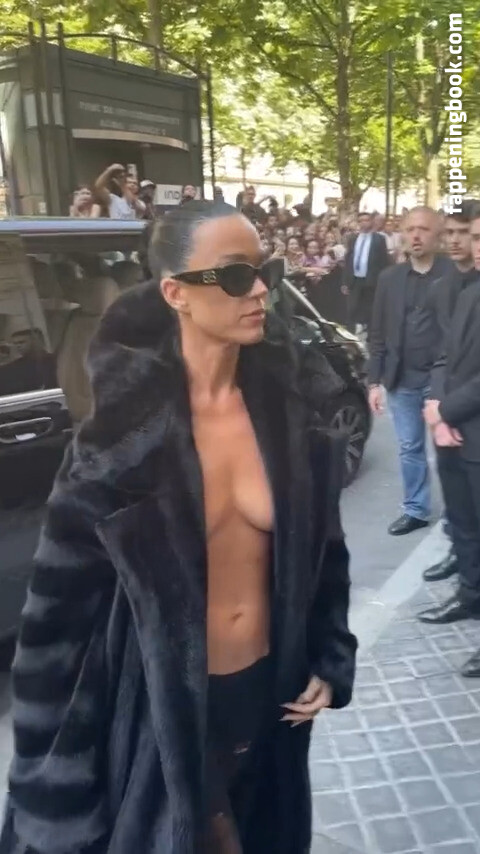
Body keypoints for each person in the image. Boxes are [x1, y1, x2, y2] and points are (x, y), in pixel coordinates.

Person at [1, 200, 357, 854]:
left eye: (267, 272)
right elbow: (56, 631)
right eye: (235, 275)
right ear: (176, 293)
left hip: (271, 705)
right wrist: (52, 798)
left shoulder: (290, 417)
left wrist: (329, 654)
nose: (260, 291)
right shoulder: (119, 446)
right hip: (164, 726)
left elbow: (324, 553)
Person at [418, 211, 480, 677]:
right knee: (464, 527)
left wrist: (446, 412)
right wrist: (437, 406)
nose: (476, 246)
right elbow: (444, 356)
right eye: (475, 237)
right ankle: (470, 597)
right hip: (454, 435)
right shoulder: (468, 292)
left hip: (465, 425)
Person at [368, 206, 453, 536]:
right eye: (410, 229)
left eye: (424, 229)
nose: (416, 236)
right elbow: (377, 331)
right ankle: (416, 509)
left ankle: (456, 513)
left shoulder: (453, 274)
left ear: (438, 235)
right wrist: (374, 381)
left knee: (449, 449)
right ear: (402, 233)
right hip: (401, 379)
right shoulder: (389, 279)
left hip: (443, 381)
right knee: (410, 448)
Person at [343, 211, 390, 335]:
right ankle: (350, 335)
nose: (363, 223)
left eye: (366, 220)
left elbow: (384, 261)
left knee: (370, 310)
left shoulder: (379, 239)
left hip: (371, 280)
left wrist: (383, 282)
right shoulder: (353, 239)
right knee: (352, 309)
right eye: (361, 221)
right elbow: (348, 260)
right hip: (355, 279)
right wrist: (345, 282)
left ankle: (370, 336)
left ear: (371, 222)